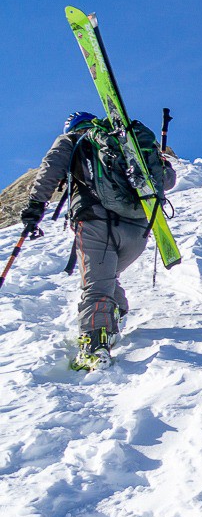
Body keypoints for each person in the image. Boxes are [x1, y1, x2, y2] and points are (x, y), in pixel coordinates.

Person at [19, 112, 177, 368]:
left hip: (95, 222)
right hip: (138, 230)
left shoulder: (72, 140)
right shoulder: (126, 145)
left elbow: (51, 170)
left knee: (97, 287)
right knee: (106, 279)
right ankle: (117, 313)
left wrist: (36, 206)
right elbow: (167, 181)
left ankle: (95, 347)